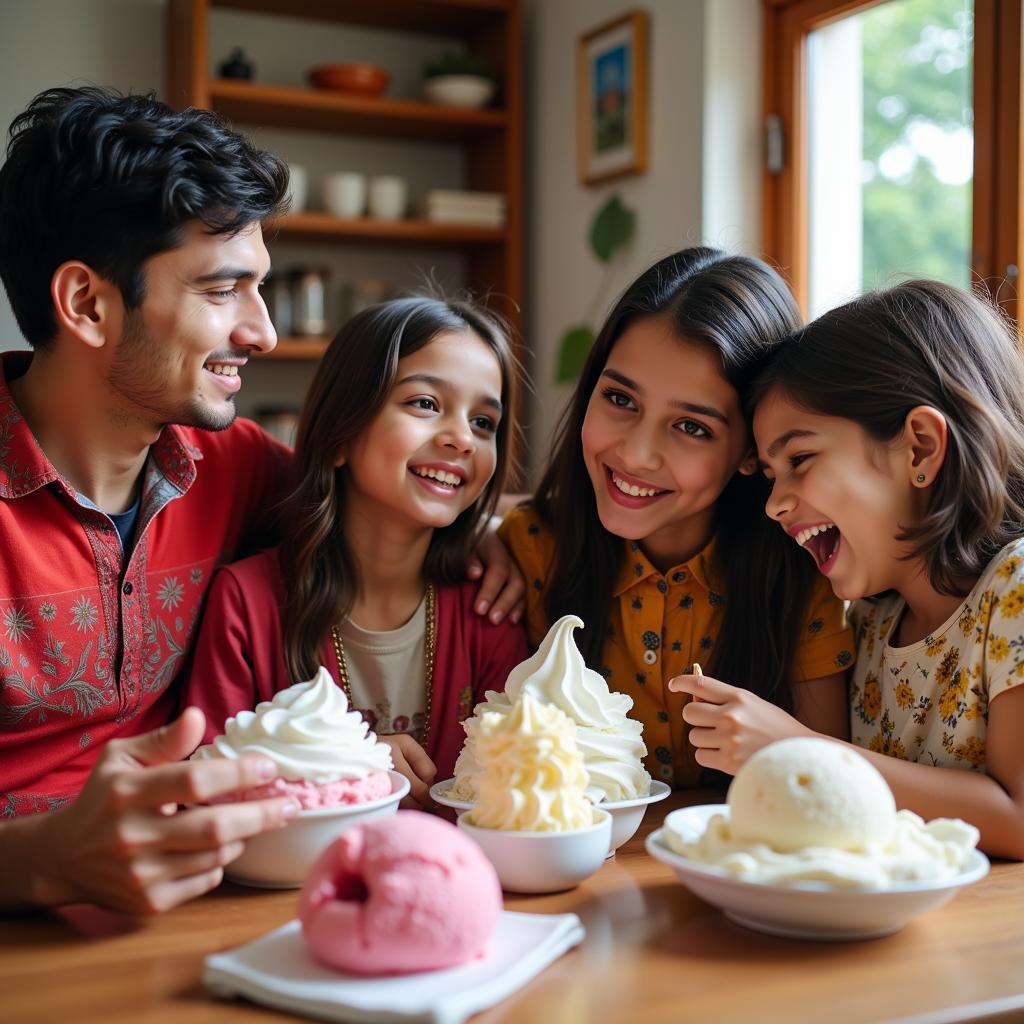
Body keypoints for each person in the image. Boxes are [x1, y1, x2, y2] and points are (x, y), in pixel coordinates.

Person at [0, 86, 521, 914]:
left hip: (191, 914)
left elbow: (382, 486)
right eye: (221, 291)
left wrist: (497, 526)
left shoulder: (232, 465)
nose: (263, 332)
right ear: (87, 304)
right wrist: (39, 862)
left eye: (261, 287)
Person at [679, 280, 1024, 858]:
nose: (774, 503)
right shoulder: (867, 621)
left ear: (919, 447)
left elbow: (1018, 817)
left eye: (800, 459)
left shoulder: (1013, 591)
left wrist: (802, 749)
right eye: (769, 475)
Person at [499, 247, 854, 790]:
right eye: (620, 398)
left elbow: (826, 790)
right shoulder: (528, 551)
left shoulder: (801, 571)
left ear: (751, 450)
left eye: (691, 427)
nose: (637, 454)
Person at [185, 296, 528, 807]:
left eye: (484, 422)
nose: (462, 438)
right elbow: (208, 781)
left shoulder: (490, 610)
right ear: (341, 432)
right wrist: (359, 766)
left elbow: (517, 790)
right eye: (426, 404)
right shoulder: (246, 602)